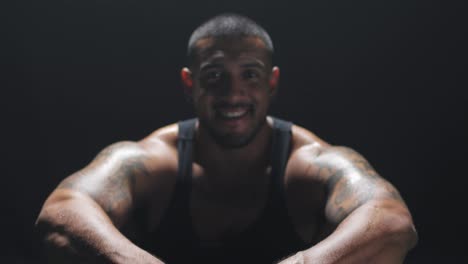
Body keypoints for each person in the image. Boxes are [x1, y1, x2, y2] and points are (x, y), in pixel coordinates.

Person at [35, 13, 418, 264]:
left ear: (272, 82)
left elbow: (392, 222)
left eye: (249, 74)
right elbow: (60, 212)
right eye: (215, 75)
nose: (233, 94)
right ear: (189, 83)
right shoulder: (153, 161)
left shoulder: (308, 161)